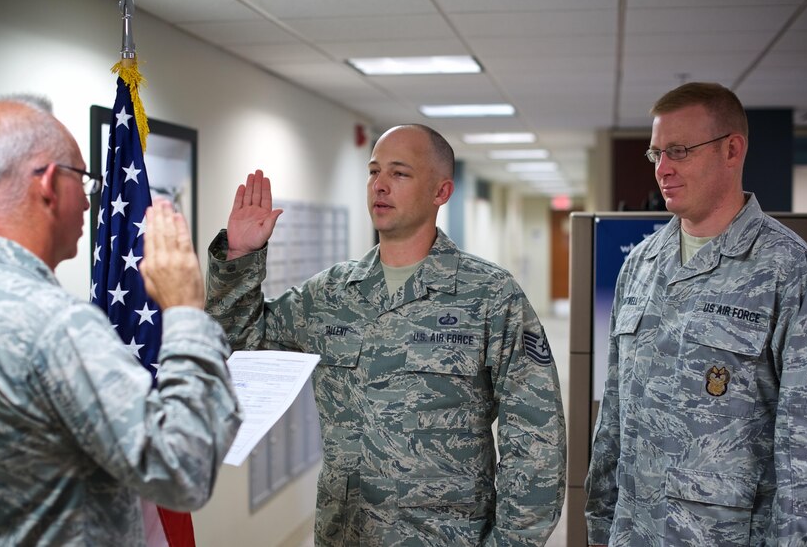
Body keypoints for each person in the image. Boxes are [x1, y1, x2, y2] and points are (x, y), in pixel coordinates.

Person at [206, 124, 567, 546]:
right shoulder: (330, 294)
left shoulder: (489, 295)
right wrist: (240, 257)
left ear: (441, 192)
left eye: (399, 173)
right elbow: (239, 348)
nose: (379, 185)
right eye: (373, 171)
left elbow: (537, 440)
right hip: (346, 534)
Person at [584, 82, 807, 546]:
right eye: (656, 155)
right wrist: (599, 525)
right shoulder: (640, 265)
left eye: (679, 151)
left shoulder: (790, 272)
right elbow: (613, 415)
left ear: (732, 150)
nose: (663, 170)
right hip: (635, 531)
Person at [0, 96, 243, 545]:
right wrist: (183, 313)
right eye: (83, 180)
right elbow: (183, 471)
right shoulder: (56, 327)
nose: (88, 203)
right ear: (47, 182)